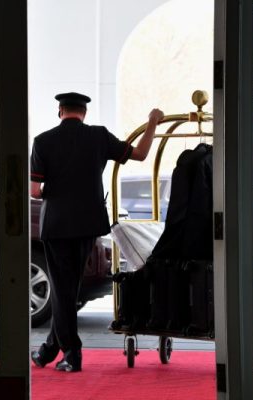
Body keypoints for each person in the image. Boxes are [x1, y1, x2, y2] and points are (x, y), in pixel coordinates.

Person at [29, 92, 164, 372]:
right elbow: (139, 154)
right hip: (88, 224)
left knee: (63, 290)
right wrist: (152, 122)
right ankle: (48, 350)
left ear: (60, 111)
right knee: (69, 288)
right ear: (84, 113)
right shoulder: (99, 137)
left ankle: (72, 353)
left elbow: (34, 191)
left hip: (56, 224)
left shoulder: (42, 142)